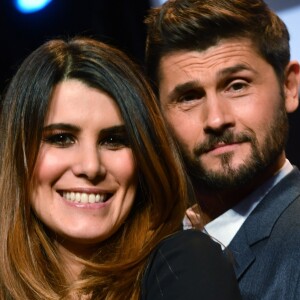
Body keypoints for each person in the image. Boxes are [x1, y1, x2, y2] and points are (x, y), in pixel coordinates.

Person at [0, 37, 242, 299]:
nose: (91, 166)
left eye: (113, 140)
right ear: (18, 155)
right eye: (61, 138)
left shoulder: (184, 266)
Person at [145, 0, 300, 299]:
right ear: (156, 114)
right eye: (189, 97)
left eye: (237, 85)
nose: (216, 119)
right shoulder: (149, 249)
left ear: (289, 87)